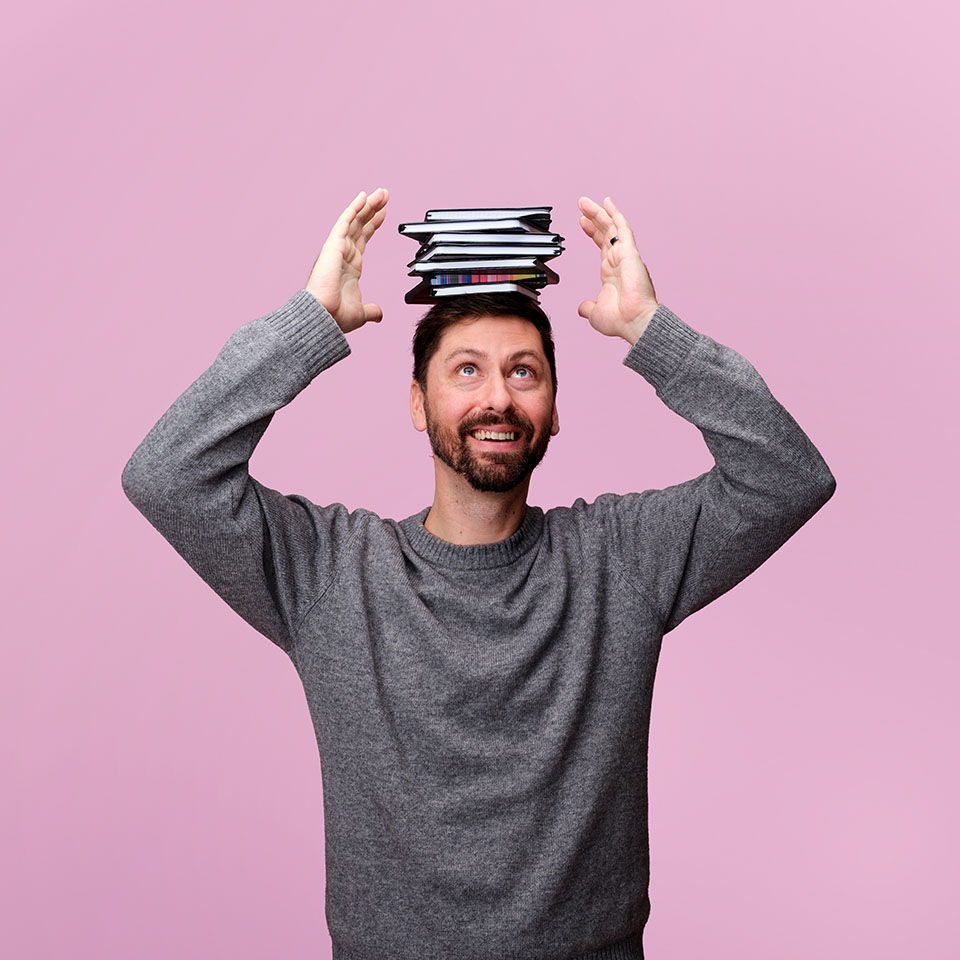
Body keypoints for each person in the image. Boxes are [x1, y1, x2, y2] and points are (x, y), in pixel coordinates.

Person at [121, 187, 836, 960]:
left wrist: (650, 333)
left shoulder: (621, 560)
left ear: (556, 410)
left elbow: (787, 476)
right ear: (418, 405)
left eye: (524, 372)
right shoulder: (331, 574)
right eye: (466, 370)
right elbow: (167, 476)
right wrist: (309, 325)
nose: (498, 396)